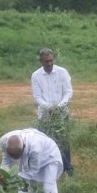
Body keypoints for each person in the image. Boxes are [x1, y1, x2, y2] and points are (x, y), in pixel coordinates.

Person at [0, 129, 64, 193]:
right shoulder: (4, 141)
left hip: (49, 157)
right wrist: (3, 174)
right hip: (28, 160)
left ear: (24, 145)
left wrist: (12, 180)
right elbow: (6, 160)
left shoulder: (35, 147)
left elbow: (32, 173)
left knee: (49, 190)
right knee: (23, 192)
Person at [31, 48, 74, 176]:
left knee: (64, 141)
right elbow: (37, 97)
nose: (49, 64)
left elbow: (68, 92)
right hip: (45, 116)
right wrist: (48, 107)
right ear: (41, 61)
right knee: (46, 142)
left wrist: (59, 106)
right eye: (46, 62)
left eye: (51, 61)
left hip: (62, 114)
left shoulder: (62, 72)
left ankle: (67, 169)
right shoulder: (36, 75)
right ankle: (48, 169)